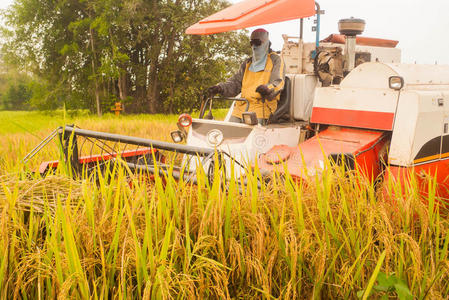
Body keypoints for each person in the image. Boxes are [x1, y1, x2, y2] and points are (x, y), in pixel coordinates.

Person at [207, 28, 285, 124]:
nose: (254, 47)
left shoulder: (275, 60)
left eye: (257, 43)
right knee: (228, 132)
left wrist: (267, 88)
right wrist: (220, 88)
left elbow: (279, 82)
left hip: (262, 107)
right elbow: (235, 83)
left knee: (251, 135)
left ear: (266, 43)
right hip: (241, 106)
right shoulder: (248, 63)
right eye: (251, 43)